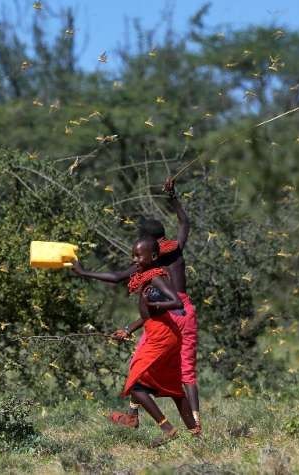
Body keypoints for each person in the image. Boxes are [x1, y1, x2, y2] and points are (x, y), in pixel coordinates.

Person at [72, 178, 202, 433]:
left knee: (142, 365)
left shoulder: (151, 263)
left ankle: (142, 418)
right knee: (183, 371)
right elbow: (185, 223)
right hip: (184, 312)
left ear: (150, 245)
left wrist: (84, 272)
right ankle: (194, 424)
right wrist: (172, 196)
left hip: (167, 314)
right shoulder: (175, 249)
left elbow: (119, 277)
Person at [121, 236, 197, 447]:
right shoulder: (147, 277)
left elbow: (174, 301)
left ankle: (167, 428)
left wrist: (156, 305)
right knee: (173, 387)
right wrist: (127, 329)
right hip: (164, 334)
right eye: (133, 255)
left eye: (139, 255)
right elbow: (147, 315)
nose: (135, 259)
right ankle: (196, 433)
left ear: (153, 256)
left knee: (135, 385)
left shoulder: (156, 278)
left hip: (161, 336)